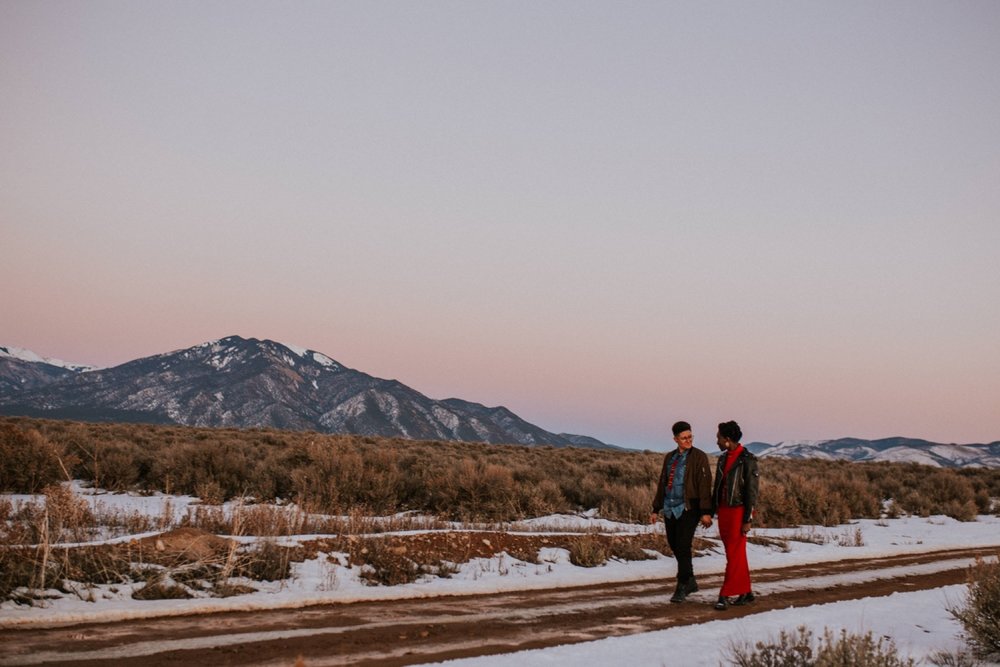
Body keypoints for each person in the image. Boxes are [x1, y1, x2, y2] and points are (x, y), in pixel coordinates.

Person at [649, 421, 713, 603]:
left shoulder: (699, 457)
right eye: (684, 437)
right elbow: (663, 483)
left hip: (689, 508)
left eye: (690, 436)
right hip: (670, 507)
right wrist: (656, 508)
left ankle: (682, 585)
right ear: (675, 439)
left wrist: (706, 511)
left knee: (683, 545)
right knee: (674, 545)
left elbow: (704, 484)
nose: (688, 440)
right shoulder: (670, 457)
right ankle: (691, 579)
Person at [712, 420, 759, 610]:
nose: (716, 441)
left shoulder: (748, 459)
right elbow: (718, 486)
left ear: (727, 439)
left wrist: (748, 518)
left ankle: (725, 594)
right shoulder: (723, 458)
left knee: (734, 553)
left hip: (738, 512)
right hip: (724, 511)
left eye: (718, 437)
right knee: (735, 554)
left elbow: (752, 492)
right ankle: (746, 592)